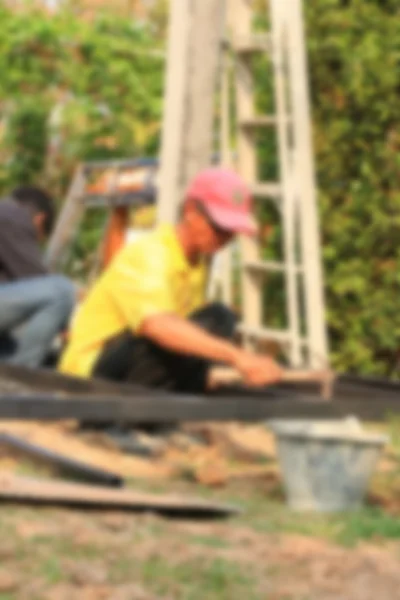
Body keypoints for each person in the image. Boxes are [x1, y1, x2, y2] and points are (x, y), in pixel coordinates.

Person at [59, 168, 282, 392]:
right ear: (190, 210)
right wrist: (236, 356)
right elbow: (158, 326)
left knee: (219, 318)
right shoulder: (150, 254)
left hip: (131, 369)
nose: (224, 238)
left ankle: (172, 399)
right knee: (176, 332)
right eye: (219, 228)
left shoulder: (197, 263)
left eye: (231, 231)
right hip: (91, 376)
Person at [0, 186, 75, 368]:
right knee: (62, 291)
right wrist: (66, 328)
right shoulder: (13, 215)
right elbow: (35, 278)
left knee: (12, 345)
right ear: (40, 220)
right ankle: (20, 379)